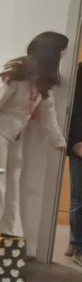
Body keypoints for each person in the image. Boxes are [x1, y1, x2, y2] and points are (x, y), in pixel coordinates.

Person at [0, 31, 69, 237]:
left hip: (15, 137)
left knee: (12, 188)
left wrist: (59, 142)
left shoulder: (42, 82)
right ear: (51, 54)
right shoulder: (16, 75)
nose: (62, 58)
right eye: (61, 54)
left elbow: (48, 115)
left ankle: (9, 237)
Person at [67, 63, 82, 265]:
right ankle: (78, 246)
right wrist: (76, 141)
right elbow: (75, 108)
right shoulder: (80, 71)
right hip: (80, 145)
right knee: (79, 199)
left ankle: (74, 242)